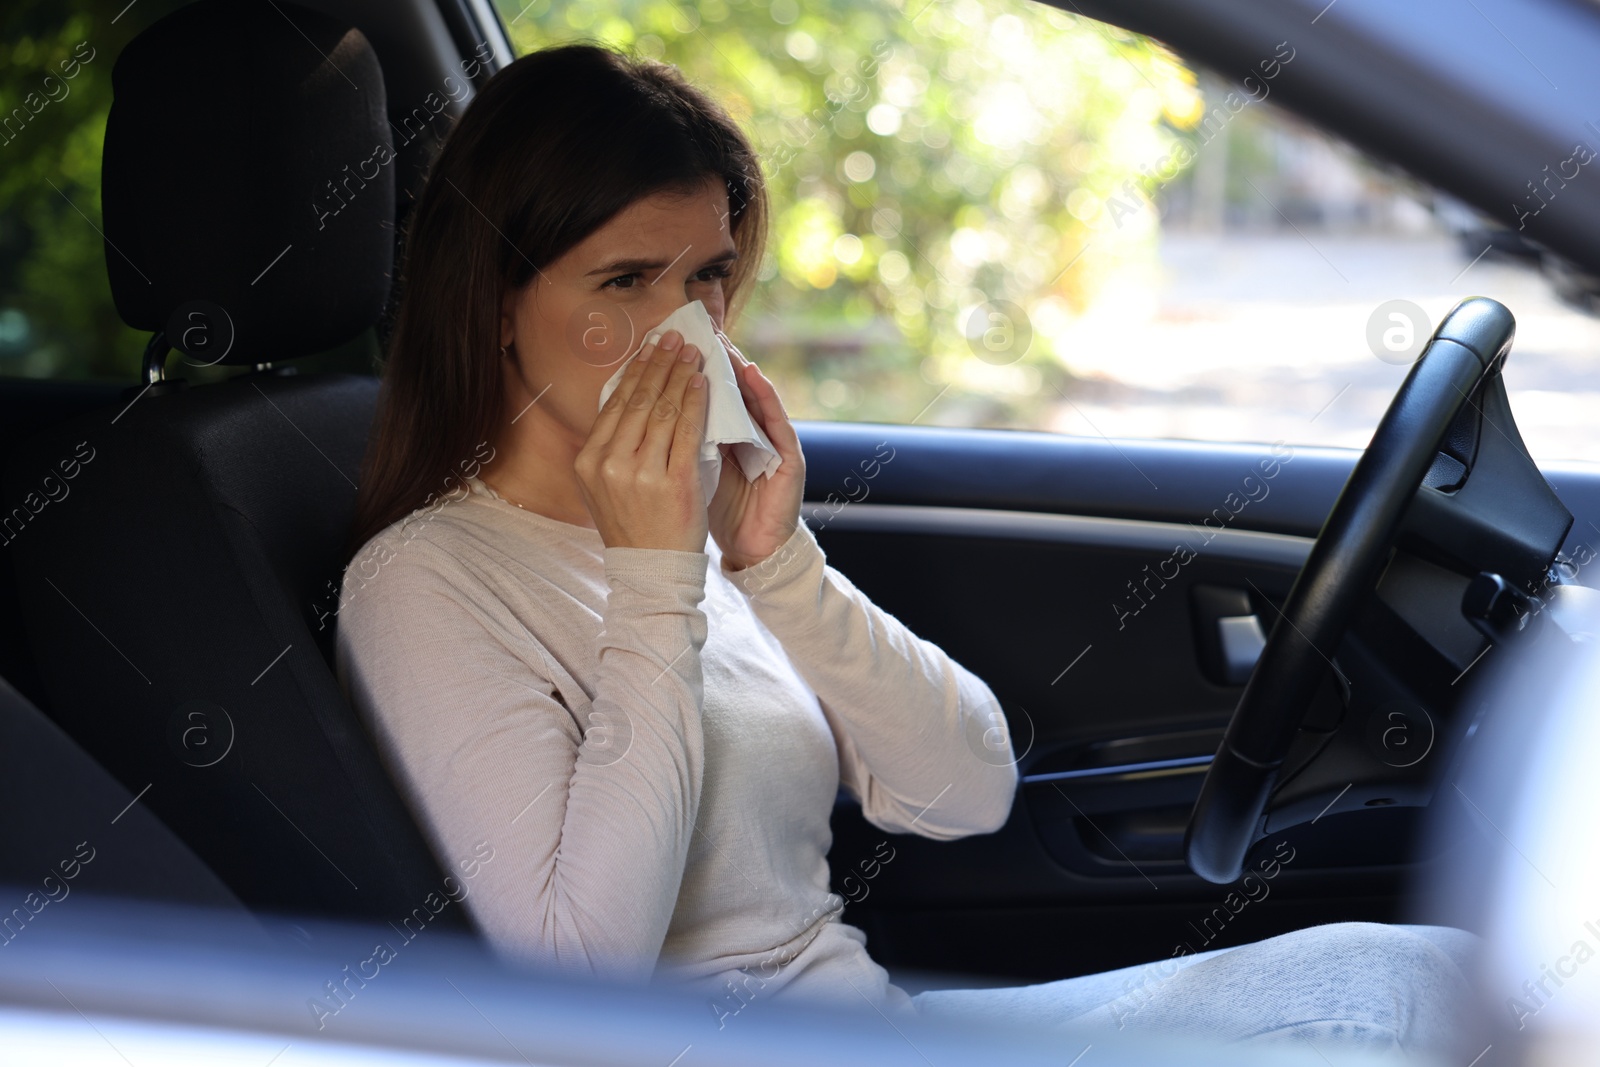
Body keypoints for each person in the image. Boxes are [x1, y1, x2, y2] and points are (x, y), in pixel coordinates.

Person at [335, 41, 1478, 1054]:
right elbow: (579, 977)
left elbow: (969, 787)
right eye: (626, 281)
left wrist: (775, 565)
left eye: (708, 276)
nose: (687, 327)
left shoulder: (692, 520)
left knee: (1413, 978)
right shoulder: (426, 580)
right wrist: (650, 583)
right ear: (493, 299)